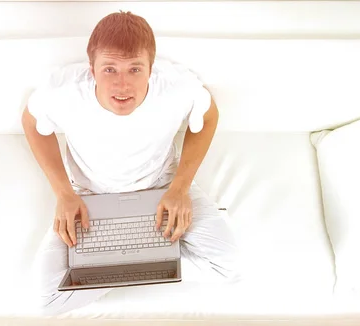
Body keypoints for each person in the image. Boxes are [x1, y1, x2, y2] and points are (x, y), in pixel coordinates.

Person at [22, 11, 237, 315]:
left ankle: (131, 259)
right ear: (92, 70)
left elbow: (209, 113)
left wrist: (180, 189)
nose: (122, 85)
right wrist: (64, 195)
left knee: (229, 268)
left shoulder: (176, 85)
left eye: (135, 69)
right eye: (109, 69)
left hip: (162, 186)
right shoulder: (62, 91)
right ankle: (147, 258)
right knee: (46, 300)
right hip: (89, 197)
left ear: (151, 68)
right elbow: (31, 122)